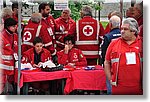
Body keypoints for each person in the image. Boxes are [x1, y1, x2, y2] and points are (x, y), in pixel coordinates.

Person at [104, 18, 143, 95]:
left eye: (125, 29)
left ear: (133, 31)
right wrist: (110, 79)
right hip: (118, 87)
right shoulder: (114, 43)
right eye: (121, 28)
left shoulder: (142, 42)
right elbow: (107, 62)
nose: (122, 31)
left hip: (139, 88)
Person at [101, 15, 121, 95]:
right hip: (122, 64)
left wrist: (103, 64)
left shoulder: (108, 36)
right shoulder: (124, 35)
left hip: (111, 65)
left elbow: (104, 52)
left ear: (110, 24)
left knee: (111, 86)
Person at [0, 18, 18, 94]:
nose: (15, 27)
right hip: (3, 67)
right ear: (7, 26)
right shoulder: (1, 36)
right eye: (13, 26)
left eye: (15, 26)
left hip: (13, 66)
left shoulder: (15, 35)